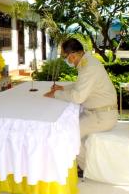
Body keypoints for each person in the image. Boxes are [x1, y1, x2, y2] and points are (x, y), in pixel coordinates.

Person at [44, 38, 118, 177]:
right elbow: (82, 86)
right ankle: (81, 163)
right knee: (67, 124)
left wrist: (56, 93)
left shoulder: (88, 67)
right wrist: (63, 88)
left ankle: (86, 169)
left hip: (101, 116)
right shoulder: (87, 63)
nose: (68, 60)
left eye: (66, 56)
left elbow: (78, 97)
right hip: (98, 112)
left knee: (69, 132)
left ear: (72, 55)